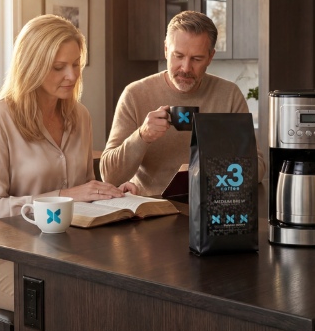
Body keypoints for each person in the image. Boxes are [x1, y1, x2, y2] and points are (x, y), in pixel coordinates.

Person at [0, 14, 136, 311]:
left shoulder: (80, 116)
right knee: (70, 302)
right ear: (31, 66)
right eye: (59, 67)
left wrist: (110, 196)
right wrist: (64, 197)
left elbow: (82, 193)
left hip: (63, 252)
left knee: (128, 288)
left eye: (75, 65)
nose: (71, 76)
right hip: (0, 258)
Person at [100, 11, 265, 196]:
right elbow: (109, 176)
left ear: (210, 57)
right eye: (178, 56)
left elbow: (257, 168)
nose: (186, 68)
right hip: (151, 210)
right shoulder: (134, 94)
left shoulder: (229, 95)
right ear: (165, 50)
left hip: (212, 207)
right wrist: (142, 136)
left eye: (197, 59)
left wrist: (217, 161)